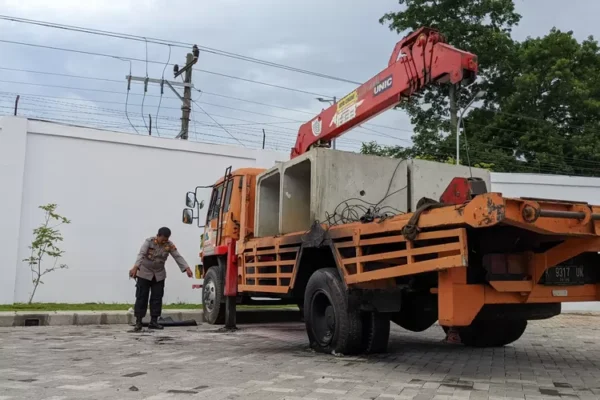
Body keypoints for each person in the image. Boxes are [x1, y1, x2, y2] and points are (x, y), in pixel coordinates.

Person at [129, 227, 193, 331]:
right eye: (162, 239)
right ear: (158, 235)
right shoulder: (148, 242)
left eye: (166, 239)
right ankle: (139, 322)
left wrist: (187, 268)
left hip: (159, 275)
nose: (164, 241)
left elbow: (177, 257)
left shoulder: (169, 245)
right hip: (144, 273)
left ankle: (154, 321)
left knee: (157, 298)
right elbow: (141, 254)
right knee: (141, 297)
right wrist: (135, 268)